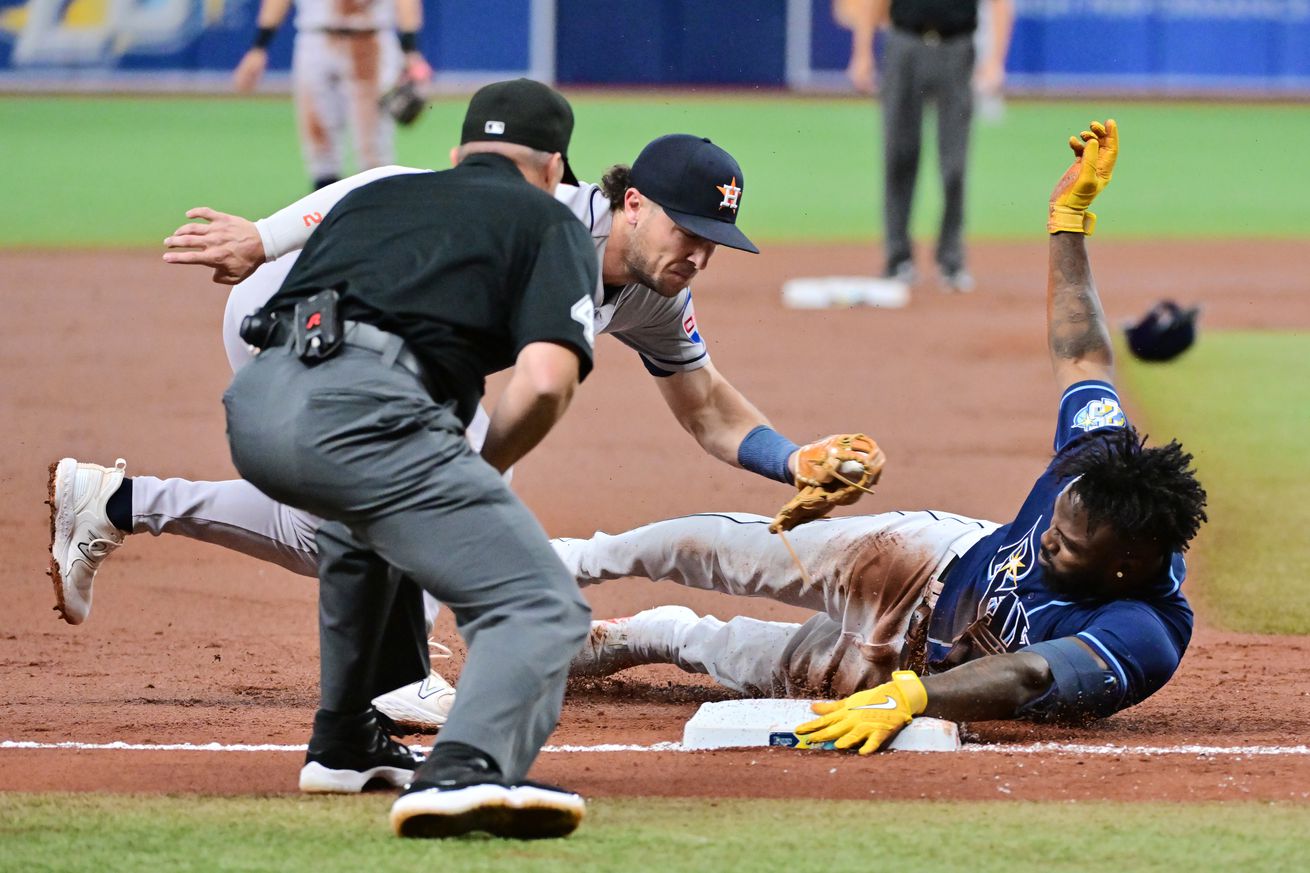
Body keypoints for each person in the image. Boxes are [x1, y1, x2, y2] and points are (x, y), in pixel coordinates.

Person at [50, 134, 876, 732]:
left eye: (714, 241)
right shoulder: (542, 212)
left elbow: (706, 407)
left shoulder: (656, 293)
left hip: (379, 350)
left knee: (339, 529)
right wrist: (262, 237)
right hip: (299, 299)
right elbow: (382, 184)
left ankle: (116, 501)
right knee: (444, 465)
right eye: (688, 231)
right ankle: (404, 672)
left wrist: (791, 458)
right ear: (633, 204)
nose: (699, 253)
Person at [555, 120, 1210, 754]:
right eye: (1054, 523)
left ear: (1126, 564)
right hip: (935, 558)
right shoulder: (1100, 468)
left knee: (733, 654)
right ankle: (570, 561)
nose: (1044, 536)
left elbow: (1032, 673)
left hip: (924, 667)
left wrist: (913, 695)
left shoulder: (1143, 634)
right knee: (752, 546)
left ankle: (635, 637)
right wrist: (1068, 225)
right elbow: (1083, 356)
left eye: (1066, 545)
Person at [224, 76, 601, 839]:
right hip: (368, 410)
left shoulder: (373, 197)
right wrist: (482, 468)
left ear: (459, 152)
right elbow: (545, 380)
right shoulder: (545, 219)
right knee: (539, 604)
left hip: (259, 405)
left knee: (359, 526)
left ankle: (342, 742)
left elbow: (288, 312)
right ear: (555, 168)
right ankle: (465, 769)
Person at [836, 0, 1014, 292]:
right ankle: (897, 259)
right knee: (898, 156)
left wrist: (996, 60)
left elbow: (1000, 4)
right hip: (905, 43)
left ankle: (951, 262)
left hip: (956, 47)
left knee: (954, 166)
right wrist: (862, 52)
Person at [233, 0, 433, 190]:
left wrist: (410, 49)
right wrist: (259, 47)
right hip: (315, 38)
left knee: (373, 148)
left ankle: (376, 219)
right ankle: (325, 217)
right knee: (319, 143)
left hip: (371, 40)